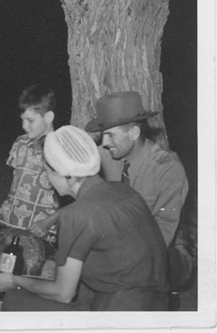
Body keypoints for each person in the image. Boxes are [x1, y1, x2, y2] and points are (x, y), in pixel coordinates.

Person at [0, 125, 168, 311]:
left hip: (122, 313)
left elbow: (63, 294)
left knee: (14, 299)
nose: (48, 180)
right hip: (158, 305)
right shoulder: (123, 190)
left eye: (47, 172)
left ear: (66, 174)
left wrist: (15, 281)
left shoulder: (75, 215)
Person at [85, 90, 192, 307]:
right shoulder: (107, 155)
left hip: (164, 253)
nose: (104, 142)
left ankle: (160, 299)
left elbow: (163, 232)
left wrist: (118, 260)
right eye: (102, 134)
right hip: (119, 247)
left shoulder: (166, 167)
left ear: (133, 132)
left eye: (110, 135)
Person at [0, 85, 60, 243]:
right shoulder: (20, 143)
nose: (24, 126)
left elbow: (73, 200)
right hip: (10, 223)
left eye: (30, 120)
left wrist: (48, 222)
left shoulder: (61, 149)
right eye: (22, 120)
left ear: (48, 116)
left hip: (41, 230)